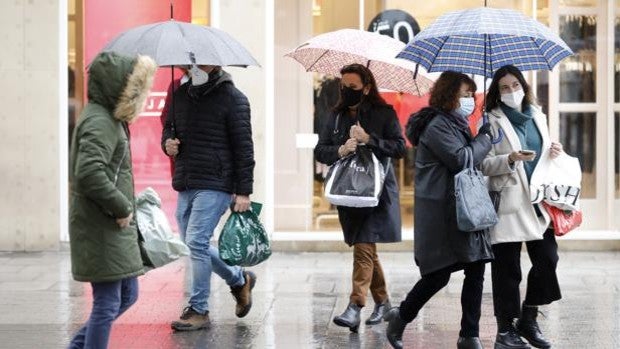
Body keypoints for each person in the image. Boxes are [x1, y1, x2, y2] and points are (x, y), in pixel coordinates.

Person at [386, 71, 494, 349]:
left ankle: (469, 335)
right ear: (449, 95)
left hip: (461, 208)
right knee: (438, 274)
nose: (470, 99)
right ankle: (401, 316)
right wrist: (484, 138)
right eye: (465, 94)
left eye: (472, 94)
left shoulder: (455, 123)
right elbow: (462, 159)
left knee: (476, 266)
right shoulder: (438, 126)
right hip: (442, 213)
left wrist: (479, 135)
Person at [68, 52, 157, 349]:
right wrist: (121, 207)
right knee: (107, 303)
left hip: (110, 228)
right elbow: (89, 173)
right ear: (117, 86)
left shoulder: (108, 118)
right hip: (101, 226)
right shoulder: (100, 121)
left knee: (128, 294)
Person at [162, 63, 257, 331]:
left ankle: (199, 309)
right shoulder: (180, 95)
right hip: (187, 178)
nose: (195, 66)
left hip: (217, 181)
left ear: (215, 63)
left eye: (200, 61)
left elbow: (244, 148)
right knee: (193, 243)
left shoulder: (233, 98)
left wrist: (244, 191)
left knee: (196, 240)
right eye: (192, 62)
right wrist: (167, 143)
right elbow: (168, 128)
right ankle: (239, 279)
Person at [315, 63, 406, 333]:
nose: (346, 90)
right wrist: (341, 150)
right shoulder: (336, 115)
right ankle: (385, 303)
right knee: (365, 246)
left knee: (364, 246)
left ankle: (355, 306)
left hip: (376, 192)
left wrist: (369, 138)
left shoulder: (384, 113)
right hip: (348, 192)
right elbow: (321, 151)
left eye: (353, 87)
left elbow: (399, 147)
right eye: (344, 86)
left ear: (366, 87)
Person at [481, 65, 564, 349]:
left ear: (524, 86)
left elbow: (545, 154)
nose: (511, 91)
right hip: (509, 202)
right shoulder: (490, 120)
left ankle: (528, 319)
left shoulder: (537, 115)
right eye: (504, 87)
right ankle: (505, 331)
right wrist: (511, 158)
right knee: (508, 269)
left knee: (548, 259)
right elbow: (483, 164)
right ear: (497, 92)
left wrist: (554, 151)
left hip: (539, 202)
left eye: (514, 85)